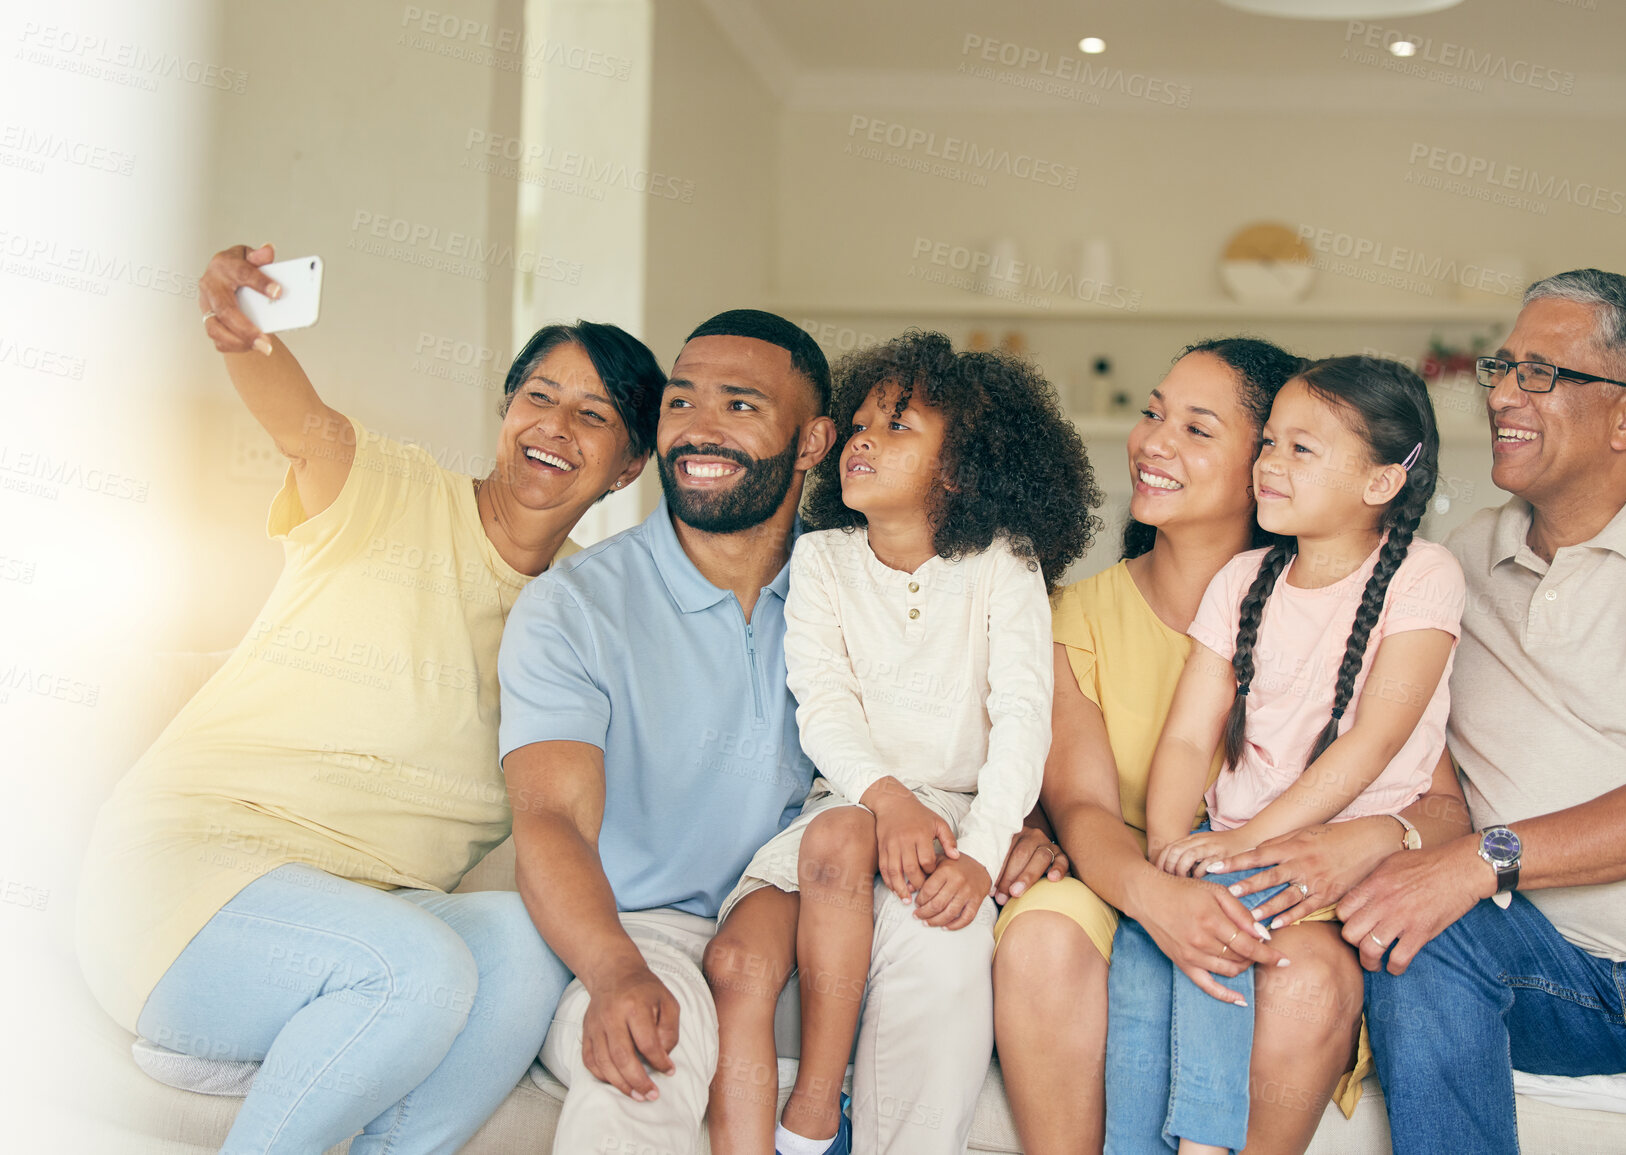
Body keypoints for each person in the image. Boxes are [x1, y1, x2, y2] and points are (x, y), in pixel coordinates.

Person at [75, 243, 665, 1154]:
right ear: (506, 411)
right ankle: (286, 1032)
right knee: (416, 970)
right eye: (538, 396)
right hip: (189, 883)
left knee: (525, 938)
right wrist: (245, 337)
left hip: (368, 911)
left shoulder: (587, 617)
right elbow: (301, 420)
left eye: (595, 415)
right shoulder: (384, 490)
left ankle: (330, 1074)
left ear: (626, 467)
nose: (556, 424)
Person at [991, 339, 1473, 1155]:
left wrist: (1339, 841)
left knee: (1298, 971)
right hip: (1160, 866)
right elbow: (1089, 801)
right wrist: (1167, 871)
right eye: (1152, 413)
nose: (1153, 441)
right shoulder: (1123, 607)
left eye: (1197, 428)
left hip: (1267, 872)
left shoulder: (1402, 585)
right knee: (1109, 945)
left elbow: (1421, 785)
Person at [1342, 269, 1626, 1154]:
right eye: (1501, 368)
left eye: (1540, 373)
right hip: (1536, 969)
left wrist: (1483, 858)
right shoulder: (1449, 566)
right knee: (1416, 932)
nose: (1502, 395)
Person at [702, 331, 1102, 1155]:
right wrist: (885, 799)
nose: (861, 441)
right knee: (796, 887)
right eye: (858, 426)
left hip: (957, 824)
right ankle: (810, 1114)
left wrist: (980, 857)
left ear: (958, 470)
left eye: (896, 427)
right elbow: (825, 708)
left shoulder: (1004, 566)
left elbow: (1025, 720)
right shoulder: (820, 562)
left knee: (944, 964)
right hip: (848, 808)